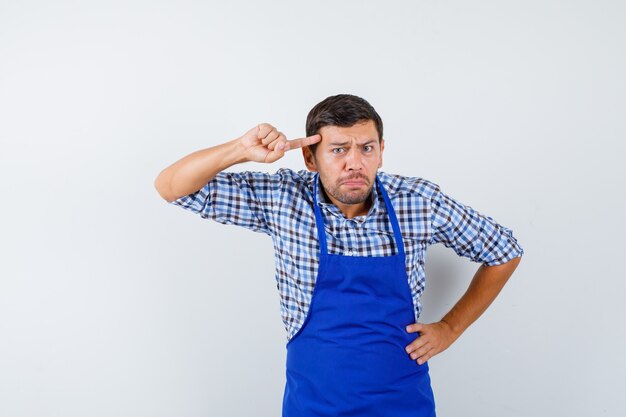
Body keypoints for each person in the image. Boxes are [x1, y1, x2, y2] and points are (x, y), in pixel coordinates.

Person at [154, 93, 524, 416]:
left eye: (367, 148)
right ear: (310, 159)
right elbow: (171, 187)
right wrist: (240, 150)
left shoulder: (418, 201)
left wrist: (450, 328)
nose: (354, 163)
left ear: (381, 151)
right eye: (338, 150)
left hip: (402, 405)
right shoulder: (283, 199)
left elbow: (504, 250)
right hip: (313, 407)